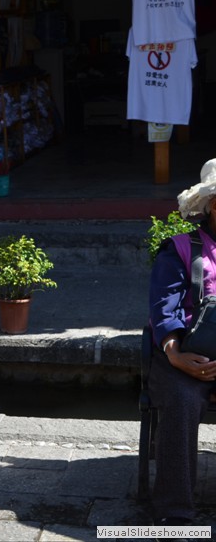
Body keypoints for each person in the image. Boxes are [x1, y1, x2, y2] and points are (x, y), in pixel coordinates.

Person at [148, 158, 216, 528]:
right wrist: (175, 354)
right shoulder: (179, 249)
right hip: (186, 358)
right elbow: (164, 306)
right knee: (181, 400)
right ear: (214, 205)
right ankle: (175, 515)